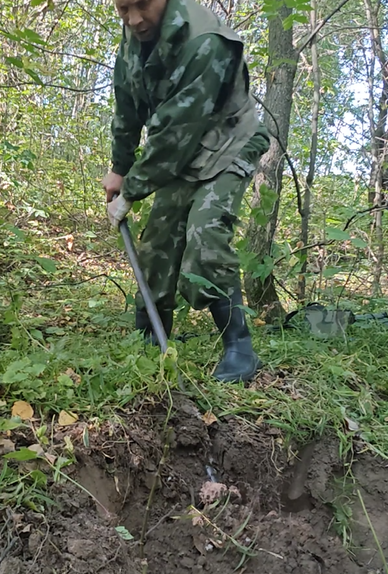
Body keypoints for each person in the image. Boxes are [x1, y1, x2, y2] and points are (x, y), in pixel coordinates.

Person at [103, 0, 270, 384]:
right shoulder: (133, 39)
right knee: (158, 241)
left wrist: (133, 190)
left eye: (142, 5)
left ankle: (239, 348)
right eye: (123, 8)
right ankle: (147, 340)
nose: (134, 20)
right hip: (183, 150)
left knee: (205, 233)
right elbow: (127, 107)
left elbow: (176, 134)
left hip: (228, 143)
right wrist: (119, 167)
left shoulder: (204, 41)